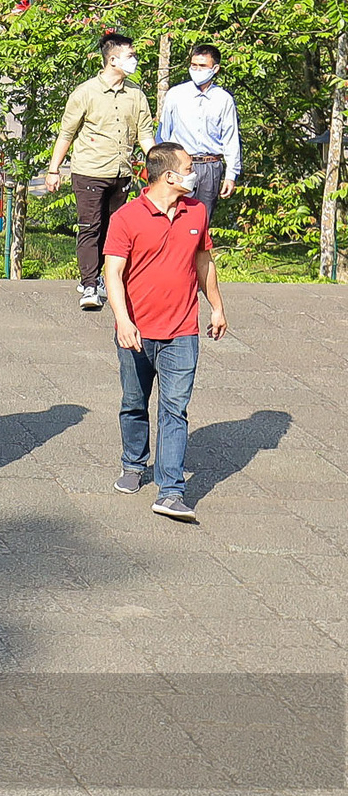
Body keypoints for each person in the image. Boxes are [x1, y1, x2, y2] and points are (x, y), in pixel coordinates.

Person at [104, 141, 228, 523]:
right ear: (169, 176)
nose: (196, 173)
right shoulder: (127, 217)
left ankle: (171, 490)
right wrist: (124, 321)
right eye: (189, 167)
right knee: (134, 403)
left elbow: (203, 261)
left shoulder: (198, 211)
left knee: (175, 408)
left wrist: (218, 306)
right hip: (137, 331)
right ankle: (133, 462)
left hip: (182, 330)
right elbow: (112, 272)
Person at [45, 32, 156, 310]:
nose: (135, 61)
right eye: (131, 56)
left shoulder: (136, 95)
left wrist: (157, 168)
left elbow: (145, 137)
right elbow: (66, 133)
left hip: (121, 173)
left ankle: (109, 278)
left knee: (116, 230)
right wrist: (54, 169)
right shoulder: (85, 92)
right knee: (90, 227)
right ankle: (90, 284)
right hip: (90, 171)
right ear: (113, 59)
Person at [158, 42, 241, 225]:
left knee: (201, 222)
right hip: (179, 164)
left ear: (215, 68)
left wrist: (231, 175)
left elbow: (231, 138)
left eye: (202, 66)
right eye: (194, 65)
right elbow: (163, 134)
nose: (197, 69)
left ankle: (198, 254)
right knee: (174, 216)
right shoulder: (175, 94)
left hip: (210, 166)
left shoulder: (223, 99)